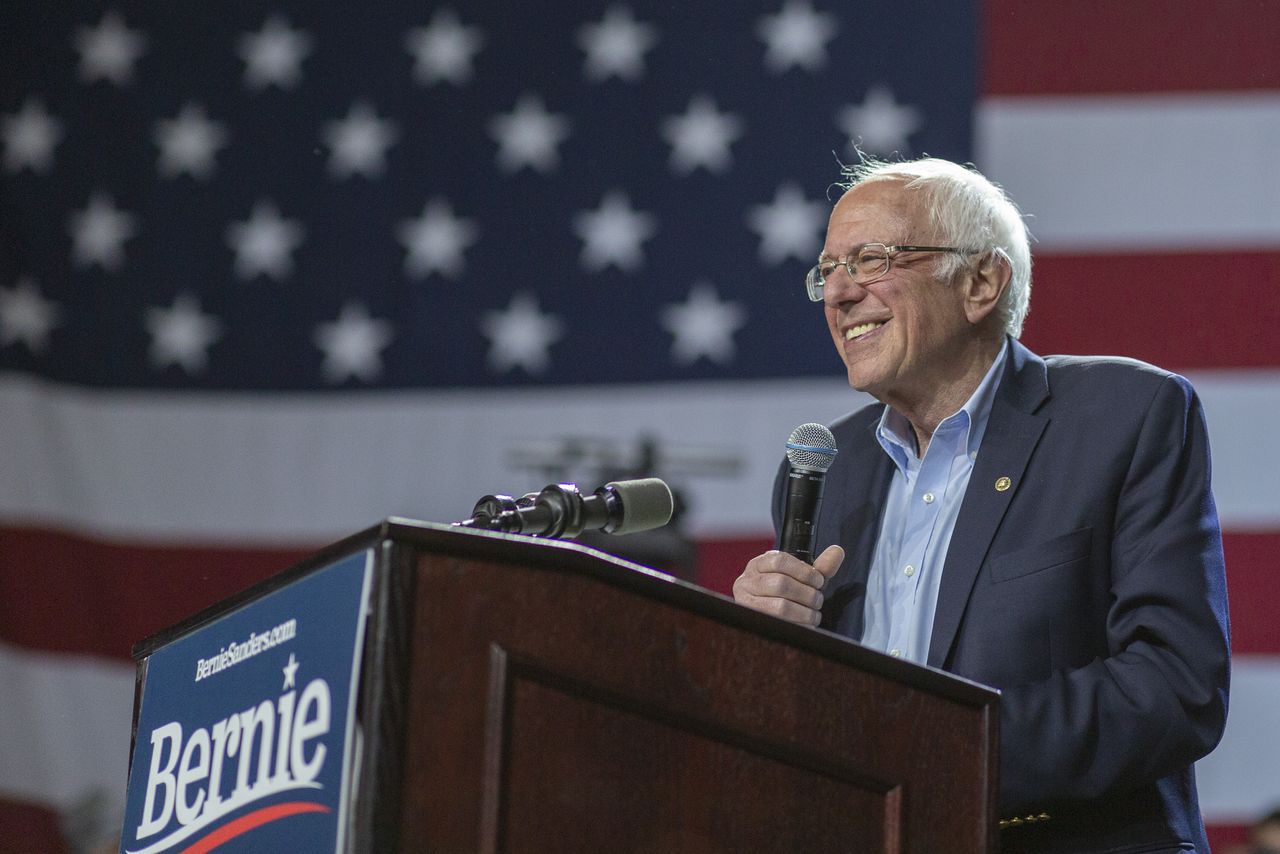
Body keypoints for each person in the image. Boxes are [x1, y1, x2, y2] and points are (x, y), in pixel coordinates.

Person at [733, 157, 1230, 853]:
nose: (838, 294)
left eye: (871, 260)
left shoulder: (1124, 416)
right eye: (828, 270)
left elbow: (1173, 690)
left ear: (980, 282)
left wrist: (939, 747)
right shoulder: (825, 471)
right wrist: (763, 648)